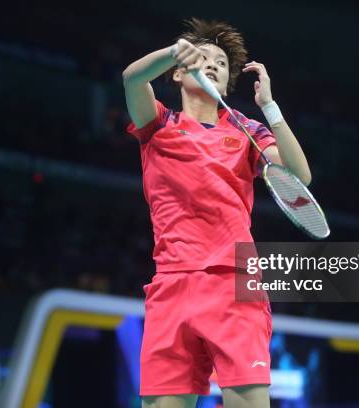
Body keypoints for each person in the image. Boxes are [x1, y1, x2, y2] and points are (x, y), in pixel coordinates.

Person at [122, 17, 312, 408]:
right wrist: (173, 50)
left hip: (233, 285)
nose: (212, 64)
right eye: (202, 57)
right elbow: (131, 79)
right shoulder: (158, 124)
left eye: (221, 63)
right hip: (171, 286)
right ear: (177, 74)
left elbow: (299, 176)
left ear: (227, 83)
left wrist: (270, 108)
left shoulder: (247, 131)